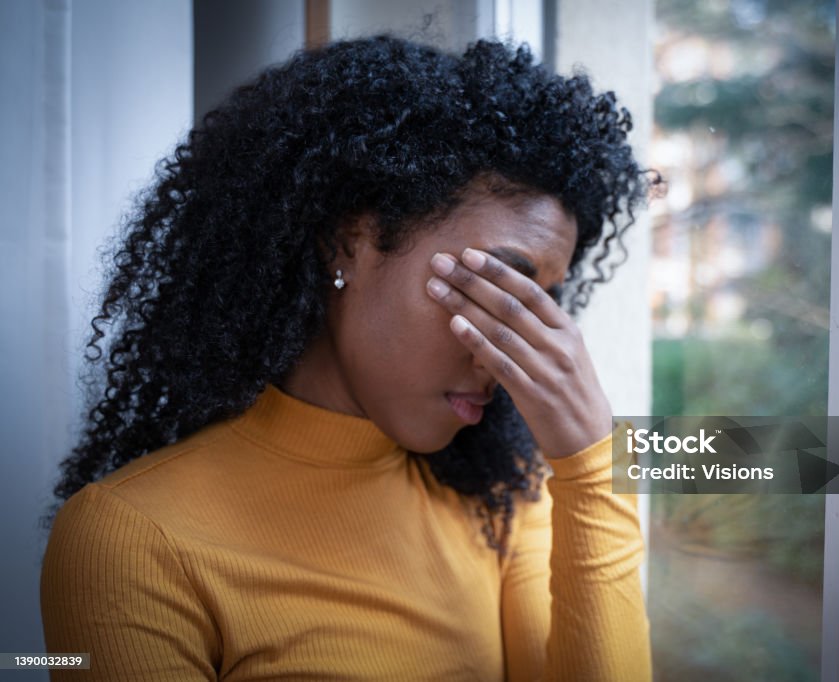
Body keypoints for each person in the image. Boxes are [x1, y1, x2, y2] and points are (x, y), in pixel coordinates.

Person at [41, 35, 659, 681]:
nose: (518, 347)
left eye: (542, 308)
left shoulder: (502, 500)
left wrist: (592, 462)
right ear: (350, 239)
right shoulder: (131, 539)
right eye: (499, 291)